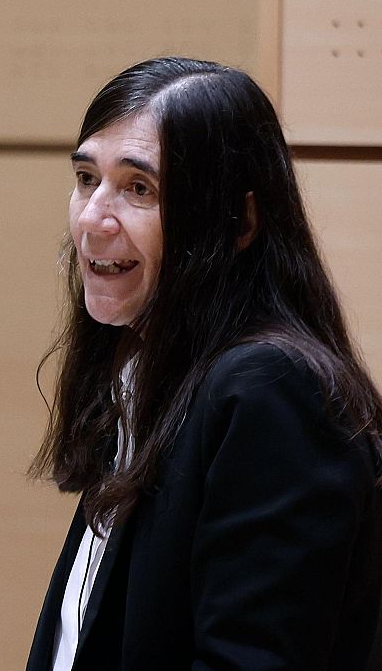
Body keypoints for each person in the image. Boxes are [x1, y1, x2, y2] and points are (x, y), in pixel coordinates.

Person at [23, 57, 382, 670]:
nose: (92, 220)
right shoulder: (144, 372)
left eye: (139, 189)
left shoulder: (272, 390)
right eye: (87, 179)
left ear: (240, 222)